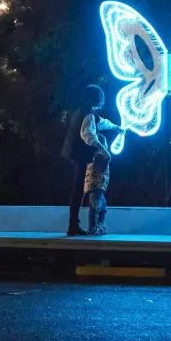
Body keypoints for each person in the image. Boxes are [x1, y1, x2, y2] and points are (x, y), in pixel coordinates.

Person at [60, 85, 122, 235]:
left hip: (75, 153)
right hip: (78, 154)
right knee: (78, 190)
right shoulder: (88, 114)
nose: (102, 101)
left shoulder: (87, 112)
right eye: (100, 98)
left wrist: (116, 128)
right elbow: (89, 135)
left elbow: (102, 123)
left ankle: (74, 225)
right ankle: (73, 225)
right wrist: (103, 148)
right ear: (96, 99)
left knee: (80, 189)